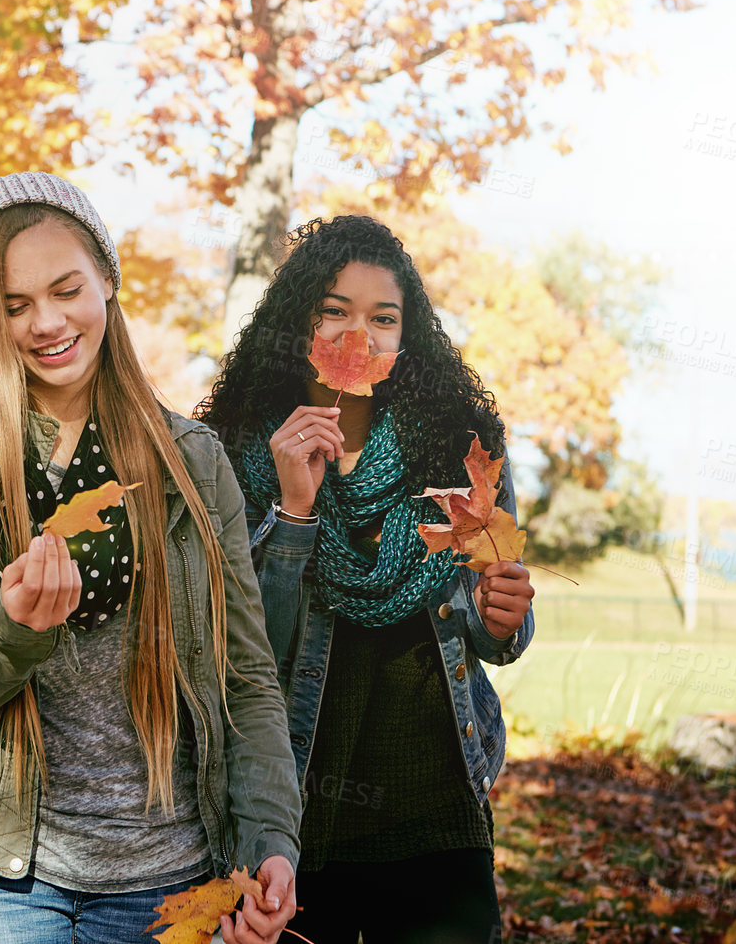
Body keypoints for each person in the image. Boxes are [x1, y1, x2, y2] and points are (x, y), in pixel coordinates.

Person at [0, 172, 301, 944]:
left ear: (107, 282)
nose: (45, 321)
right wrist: (11, 631)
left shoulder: (190, 461)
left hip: (170, 871)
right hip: (4, 879)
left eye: (65, 288)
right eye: (13, 305)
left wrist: (269, 841)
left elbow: (246, 678)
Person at [199, 214, 536, 944]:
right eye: (334, 312)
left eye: (382, 317)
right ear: (298, 324)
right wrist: (293, 509)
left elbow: (491, 624)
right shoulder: (236, 450)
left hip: (436, 810)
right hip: (293, 815)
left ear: (405, 335)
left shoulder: (458, 445)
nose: (360, 336)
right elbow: (242, 644)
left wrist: (502, 618)